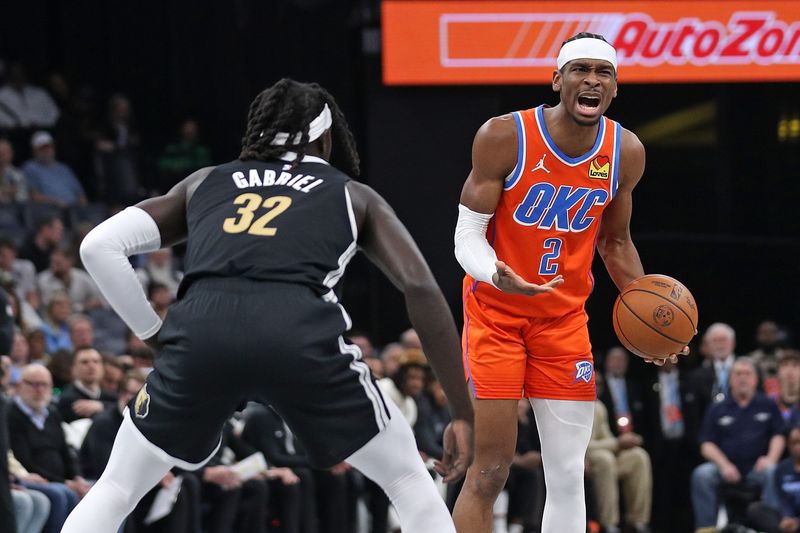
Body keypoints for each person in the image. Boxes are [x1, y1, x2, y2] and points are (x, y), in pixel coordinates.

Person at [62, 78, 473, 533]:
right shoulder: (351, 194)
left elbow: (98, 246)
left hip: (201, 335)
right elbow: (420, 287)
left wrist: (153, 336)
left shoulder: (205, 182)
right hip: (296, 335)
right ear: (326, 137)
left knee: (118, 487)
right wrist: (461, 411)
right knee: (406, 477)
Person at [451, 32, 684, 533]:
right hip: (496, 316)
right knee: (489, 472)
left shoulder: (626, 151)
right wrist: (496, 272)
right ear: (558, 79)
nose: (592, 81)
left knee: (568, 475)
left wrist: (653, 318)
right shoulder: (504, 135)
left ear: (615, 88)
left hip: (562, 322)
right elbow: (466, 235)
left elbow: (615, 244)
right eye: (580, 70)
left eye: (604, 73)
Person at [691, 357, 785, 532]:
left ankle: (772, 527)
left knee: (772, 471)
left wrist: (770, 459)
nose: (743, 378)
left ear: (755, 379)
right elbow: (706, 444)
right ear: (730, 379)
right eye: (738, 374)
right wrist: (724, 465)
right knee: (701, 474)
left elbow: (778, 436)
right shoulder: (717, 407)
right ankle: (706, 529)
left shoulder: (768, 404)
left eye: (747, 374)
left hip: (757, 468)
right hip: (725, 468)